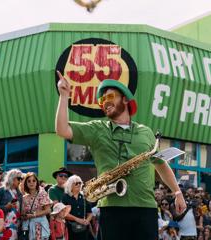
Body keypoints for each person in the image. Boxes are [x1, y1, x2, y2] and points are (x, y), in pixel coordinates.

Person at [55, 73, 186, 240]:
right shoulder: (97, 129)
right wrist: (64, 95)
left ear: (125, 99)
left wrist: (177, 192)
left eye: (109, 96)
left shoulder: (146, 132)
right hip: (112, 208)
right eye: (102, 100)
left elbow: (160, 164)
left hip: (146, 208)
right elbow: (62, 129)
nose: (105, 102)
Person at [21, 172, 52, 240]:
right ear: (26, 183)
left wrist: (33, 215)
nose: (31, 183)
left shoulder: (42, 193)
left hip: (40, 225)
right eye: (29, 181)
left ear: (37, 182)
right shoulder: (24, 197)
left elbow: (48, 210)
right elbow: (23, 214)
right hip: (29, 227)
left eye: (34, 180)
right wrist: (24, 216)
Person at [62, 175, 92, 240]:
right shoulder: (65, 197)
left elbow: (90, 213)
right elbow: (63, 213)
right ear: (70, 185)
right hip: (69, 229)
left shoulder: (84, 196)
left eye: (80, 183)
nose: (78, 184)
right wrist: (77, 219)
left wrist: (87, 220)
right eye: (76, 183)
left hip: (83, 229)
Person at [0, 169, 24, 240]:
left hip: (16, 226)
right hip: (3, 224)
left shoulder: (19, 194)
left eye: (21, 179)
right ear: (12, 178)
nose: (20, 181)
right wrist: (5, 207)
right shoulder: (1, 190)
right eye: (19, 178)